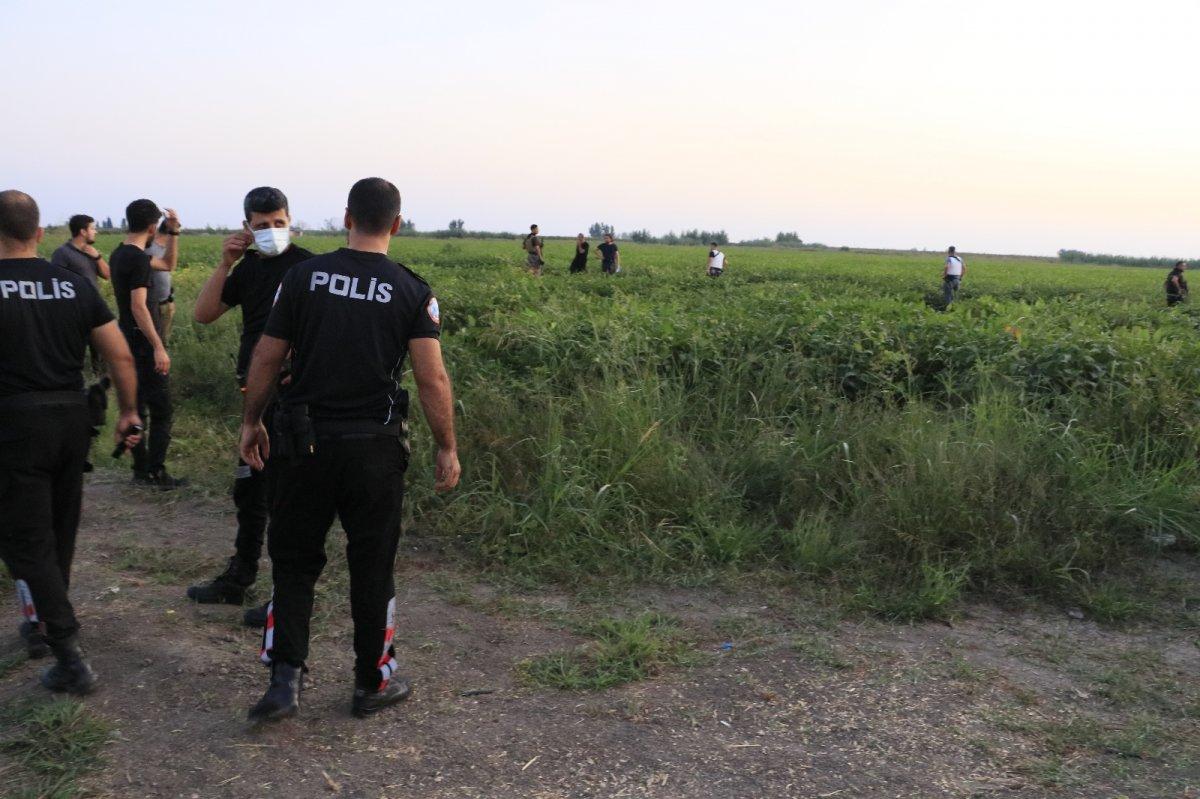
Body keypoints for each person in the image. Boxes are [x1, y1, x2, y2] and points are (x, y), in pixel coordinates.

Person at [239, 177, 461, 723]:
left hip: (302, 444)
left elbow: (267, 356)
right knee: (372, 566)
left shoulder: (301, 277)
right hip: (374, 452)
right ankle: (371, 683)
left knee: (292, 563)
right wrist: (446, 446)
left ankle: (284, 683)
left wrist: (251, 421)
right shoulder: (412, 289)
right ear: (397, 224)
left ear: (345, 218)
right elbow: (432, 379)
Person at [0, 189, 142, 693]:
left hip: (14, 424)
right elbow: (120, 356)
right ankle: (44, 621)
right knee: (58, 530)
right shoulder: (70, 283)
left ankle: (67, 652)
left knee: (25, 539)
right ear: (38, 234)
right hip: (71, 418)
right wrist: (129, 411)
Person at [187, 187, 314, 626]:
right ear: (247, 228)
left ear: (290, 220)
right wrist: (225, 263)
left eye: (279, 223)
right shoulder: (247, 269)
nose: (272, 232)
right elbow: (203, 314)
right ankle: (239, 576)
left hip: (292, 400)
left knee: (286, 499)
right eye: (262, 226)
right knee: (250, 490)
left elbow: (328, 330)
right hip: (253, 396)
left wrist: (306, 365)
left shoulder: (308, 266)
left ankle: (284, 598)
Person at [109, 200, 187, 488]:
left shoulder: (120, 254)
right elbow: (139, 306)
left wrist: (175, 233)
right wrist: (158, 345)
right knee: (162, 409)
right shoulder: (138, 259)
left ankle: (141, 471)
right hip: (143, 343)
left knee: (137, 406)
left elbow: (168, 264)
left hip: (126, 339)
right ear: (153, 227)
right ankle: (157, 471)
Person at [50, 215, 110, 286]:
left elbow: (107, 275)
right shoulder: (61, 253)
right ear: (83, 232)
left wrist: (98, 257)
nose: (95, 232)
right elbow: (55, 281)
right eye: (92, 229)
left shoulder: (91, 252)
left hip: (93, 297)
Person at [145, 223, 177, 344]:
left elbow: (166, 275)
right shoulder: (148, 247)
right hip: (152, 304)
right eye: (174, 233)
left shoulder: (168, 248)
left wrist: (171, 297)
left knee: (165, 337)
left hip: (166, 301)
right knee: (154, 338)